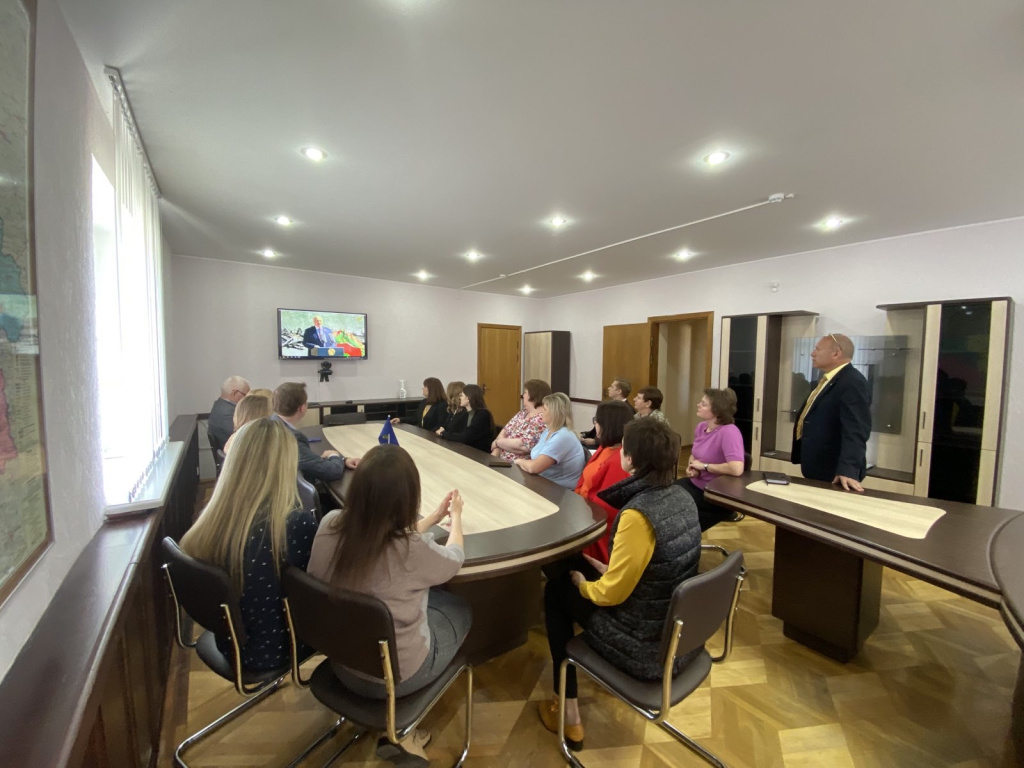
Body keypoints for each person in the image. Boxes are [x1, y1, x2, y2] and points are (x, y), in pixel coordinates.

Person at [538, 418, 701, 750]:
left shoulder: (638, 514)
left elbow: (611, 594)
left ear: (630, 458)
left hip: (644, 644)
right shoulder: (682, 497)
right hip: (678, 632)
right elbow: (658, 565)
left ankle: (568, 710)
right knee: (574, 566)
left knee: (556, 591)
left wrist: (583, 585)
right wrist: (609, 570)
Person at [307, 444, 470, 764]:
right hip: (395, 678)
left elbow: (383, 538)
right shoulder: (411, 549)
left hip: (340, 662)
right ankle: (405, 727)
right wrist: (456, 519)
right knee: (459, 609)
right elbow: (454, 558)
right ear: (408, 496)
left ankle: (399, 724)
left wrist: (433, 518)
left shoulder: (329, 524)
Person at [180, 418, 318, 672]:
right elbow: (317, 593)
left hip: (229, 641)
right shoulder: (293, 524)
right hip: (274, 648)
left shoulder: (217, 517)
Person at [791, 333, 872, 492]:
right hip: (818, 464)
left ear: (836, 353)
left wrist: (848, 469)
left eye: (818, 349)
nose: (812, 353)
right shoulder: (827, 380)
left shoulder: (852, 382)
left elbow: (856, 429)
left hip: (834, 470)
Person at [675, 388, 746, 531]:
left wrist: (705, 466)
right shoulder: (701, 427)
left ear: (717, 410)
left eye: (703, 404)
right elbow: (695, 454)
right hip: (696, 483)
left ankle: (683, 538)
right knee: (663, 494)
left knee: (673, 506)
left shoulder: (729, 432)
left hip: (715, 492)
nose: (698, 405)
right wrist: (692, 467)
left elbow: (736, 468)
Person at [575, 400, 634, 563]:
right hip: (583, 511)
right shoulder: (605, 448)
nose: (595, 425)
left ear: (607, 425)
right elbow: (584, 479)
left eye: (597, 421)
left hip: (595, 530)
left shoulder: (619, 460)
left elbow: (605, 506)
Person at [273, 382, 360, 483]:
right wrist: (334, 455)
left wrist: (343, 460)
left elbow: (305, 461)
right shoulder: (292, 437)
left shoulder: (271, 424)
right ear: (302, 408)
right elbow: (333, 471)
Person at [515, 393, 587, 489]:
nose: (541, 412)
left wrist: (519, 461)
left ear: (554, 413)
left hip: (560, 491)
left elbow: (534, 467)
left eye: (545, 409)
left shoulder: (563, 436)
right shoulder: (548, 431)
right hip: (544, 484)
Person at [491, 378, 552, 462]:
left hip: (519, 465)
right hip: (500, 460)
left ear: (533, 395)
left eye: (525, 393)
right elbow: (504, 431)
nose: (523, 396)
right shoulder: (523, 412)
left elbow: (523, 447)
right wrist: (497, 450)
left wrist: (498, 443)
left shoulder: (542, 419)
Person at [437, 384, 494, 452]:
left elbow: (466, 436)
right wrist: (444, 431)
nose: (459, 398)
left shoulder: (482, 414)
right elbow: (454, 430)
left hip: (478, 452)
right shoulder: (465, 412)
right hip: (465, 449)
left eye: (461, 395)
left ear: (468, 398)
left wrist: (443, 433)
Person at [580, 378, 632, 446]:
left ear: (619, 391)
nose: (608, 388)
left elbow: (618, 434)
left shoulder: (627, 410)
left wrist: (595, 442)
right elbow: (594, 431)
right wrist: (582, 435)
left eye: (612, 387)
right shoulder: (608, 407)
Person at [208, 375, 250, 453]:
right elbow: (245, 440)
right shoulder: (228, 414)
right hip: (236, 455)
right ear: (235, 393)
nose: (247, 399)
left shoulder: (219, 405)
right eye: (246, 395)